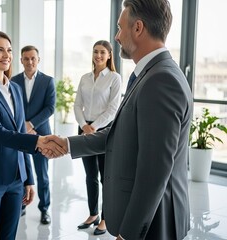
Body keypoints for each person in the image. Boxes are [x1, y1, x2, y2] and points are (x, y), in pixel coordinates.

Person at [44, 0, 192, 239]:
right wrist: (67, 144)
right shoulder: (150, 73)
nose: (116, 36)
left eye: (120, 28)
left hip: (155, 224)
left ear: (138, 28)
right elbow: (121, 132)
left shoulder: (161, 80)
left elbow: (154, 172)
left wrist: (129, 234)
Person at [0, 30, 66, 240]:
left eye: (9, 50)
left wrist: (28, 177)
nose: (6, 55)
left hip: (16, 180)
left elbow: (20, 131)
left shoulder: (16, 89)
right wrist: (38, 141)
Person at [74, 40, 122, 235]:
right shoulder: (85, 78)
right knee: (90, 175)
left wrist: (93, 126)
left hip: (104, 131)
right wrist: (84, 125)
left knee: (105, 177)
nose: (98, 56)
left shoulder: (114, 78)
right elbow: (77, 104)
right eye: (95, 52)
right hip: (85, 129)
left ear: (109, 55)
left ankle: (105, 218)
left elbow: (113, 109)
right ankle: (93, 213)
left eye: (102, 52)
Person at [11, 45, 55, 224]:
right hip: (20, 134)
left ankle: (44, 209)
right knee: (21, 172)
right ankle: (21, 205)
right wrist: (24, 126)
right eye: (26, 58)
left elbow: (50, 108)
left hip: (42, 135)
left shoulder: (48, 81)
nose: (29, 62)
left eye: (33, 58)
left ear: (38, 60)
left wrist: (31, 124)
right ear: (21, 60)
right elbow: (12, 107)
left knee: (42, 175)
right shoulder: (12, 81)